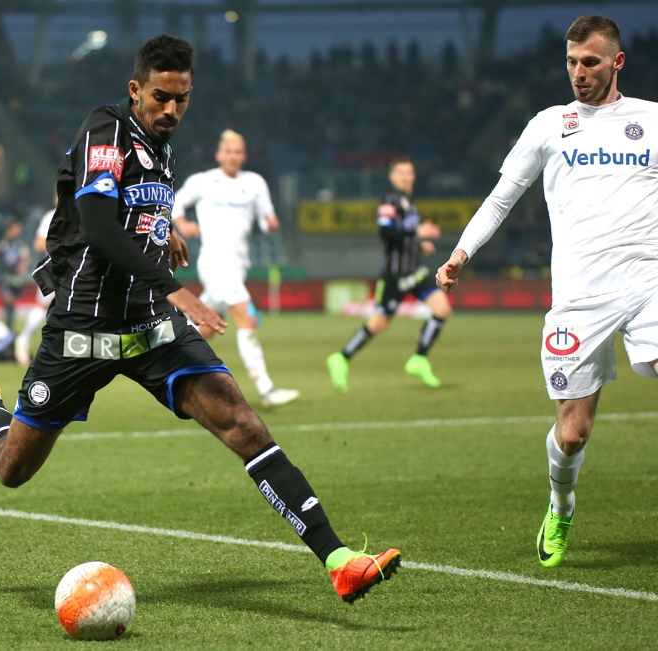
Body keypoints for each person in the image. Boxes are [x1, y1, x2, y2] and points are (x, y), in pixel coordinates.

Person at [0, 34, 400, 603]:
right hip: (83, 328)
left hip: (151, 327)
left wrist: (163, 230)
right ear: (135, 90)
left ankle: (339, 559)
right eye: (160, 98)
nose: (172, 110)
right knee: (12, 470)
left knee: (243, 424)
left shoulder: (162, 147)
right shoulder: (105, 130)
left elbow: (134, 208)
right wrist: (175, 288)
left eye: (182, 99)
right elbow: (100, 225)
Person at [436, 15, 658, 567]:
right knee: (574, 433)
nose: (579, 73)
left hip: (649, 280)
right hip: (580, 296)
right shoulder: (548, 126)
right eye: (571, 62)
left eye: (591, 62)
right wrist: (462, 251)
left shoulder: (652, 122)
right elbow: (500, 198)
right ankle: (561, 504)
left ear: (617, 62)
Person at [172, 130, 300, 408]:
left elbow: (267, 220)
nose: (233, 156)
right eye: (228, 151)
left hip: (238, 264)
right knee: (247, 320)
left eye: (238, 151)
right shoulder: (204, 181)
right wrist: (183, 224)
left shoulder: (254, 183)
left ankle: (167, 365)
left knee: (203, 327)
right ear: (219, 154)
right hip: (216, 263)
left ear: (245, 155)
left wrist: (270, 224)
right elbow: (175, 204)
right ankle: (266, 390)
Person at [326, 157, 449, 392]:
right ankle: (341, 357)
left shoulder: (410, 203)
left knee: (442, 309)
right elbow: (386, 233)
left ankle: (419, 359)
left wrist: (419, 244)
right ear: (392, 176)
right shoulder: (389, 201)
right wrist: (417, 232)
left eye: (409, 172)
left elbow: (404, 237)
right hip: (394, 275)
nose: (405, 176)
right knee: (379, 323)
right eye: (400, 172)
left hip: (414, 271)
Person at [14, 198, 57, 365]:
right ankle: (23, 339)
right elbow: (38, 244)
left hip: (79, 269)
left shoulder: (82, 212)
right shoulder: (51, 216)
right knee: (42, 307)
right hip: (57, 268)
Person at [0, 219, 30, 329]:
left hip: (16, 277)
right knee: (8, 299)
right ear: (9, 230)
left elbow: (26, 258)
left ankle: (9, 325)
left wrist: (23, 269)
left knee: (12, 302)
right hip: (4, 276)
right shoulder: (0, 244)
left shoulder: (20, 244)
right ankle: (8, 327)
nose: (18, 232)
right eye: (16, 229)